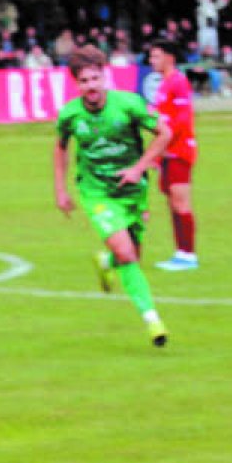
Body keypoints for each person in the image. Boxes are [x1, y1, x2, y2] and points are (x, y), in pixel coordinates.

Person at [53, 46, 172, 347]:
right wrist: (61, 189)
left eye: (95, 79)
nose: (91, 86)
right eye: (84, 81)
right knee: (128, 254)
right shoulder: (69, 114)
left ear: (105, 77)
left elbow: (165, 133)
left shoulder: (129, 104)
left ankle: (106, 261)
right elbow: (60, 148)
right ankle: (152, 320)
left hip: (133, 190)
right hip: (96, 193)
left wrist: (139, 168)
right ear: (75, 84)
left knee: (131, 254)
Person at [147, 40, 200, 271]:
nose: (152, 61)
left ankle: (189, 254)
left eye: (156, 56)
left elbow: (180, 120)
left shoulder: (178, 82)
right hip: (167, 152)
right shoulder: (165, 84)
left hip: (178, 151)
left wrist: (162, 144)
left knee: (181, 203)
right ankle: (180, 252)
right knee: (172, 203)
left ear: (169, 57)